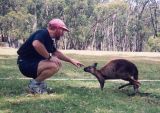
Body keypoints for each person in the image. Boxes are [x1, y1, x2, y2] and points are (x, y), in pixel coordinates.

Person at [17, 18, 84, 94]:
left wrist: (71, 60)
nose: (63, 33)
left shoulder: (48, 39)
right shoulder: (43, 33)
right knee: (53, 65)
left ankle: (39, 84)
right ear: (57, 28)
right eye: (62, 30)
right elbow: (36, 44)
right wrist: (49, 57)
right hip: (25, 64)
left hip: (31, 64)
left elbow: (56, 53)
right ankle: (33, 86)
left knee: (56, 63)